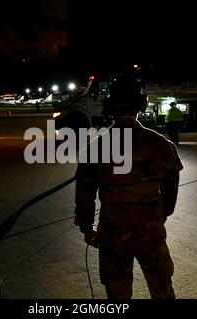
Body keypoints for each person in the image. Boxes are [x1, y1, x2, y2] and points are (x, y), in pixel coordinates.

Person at [74, 75, 183, 299]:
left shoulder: (97, 146)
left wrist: (86, 227)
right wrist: (161, 215)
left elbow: (84, 191)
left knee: (117, 291)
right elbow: (172, 185)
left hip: (113, 232)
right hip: (150, 231)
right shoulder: (161, 144)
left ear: (110, 107)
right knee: (162, 286)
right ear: (140, 106)